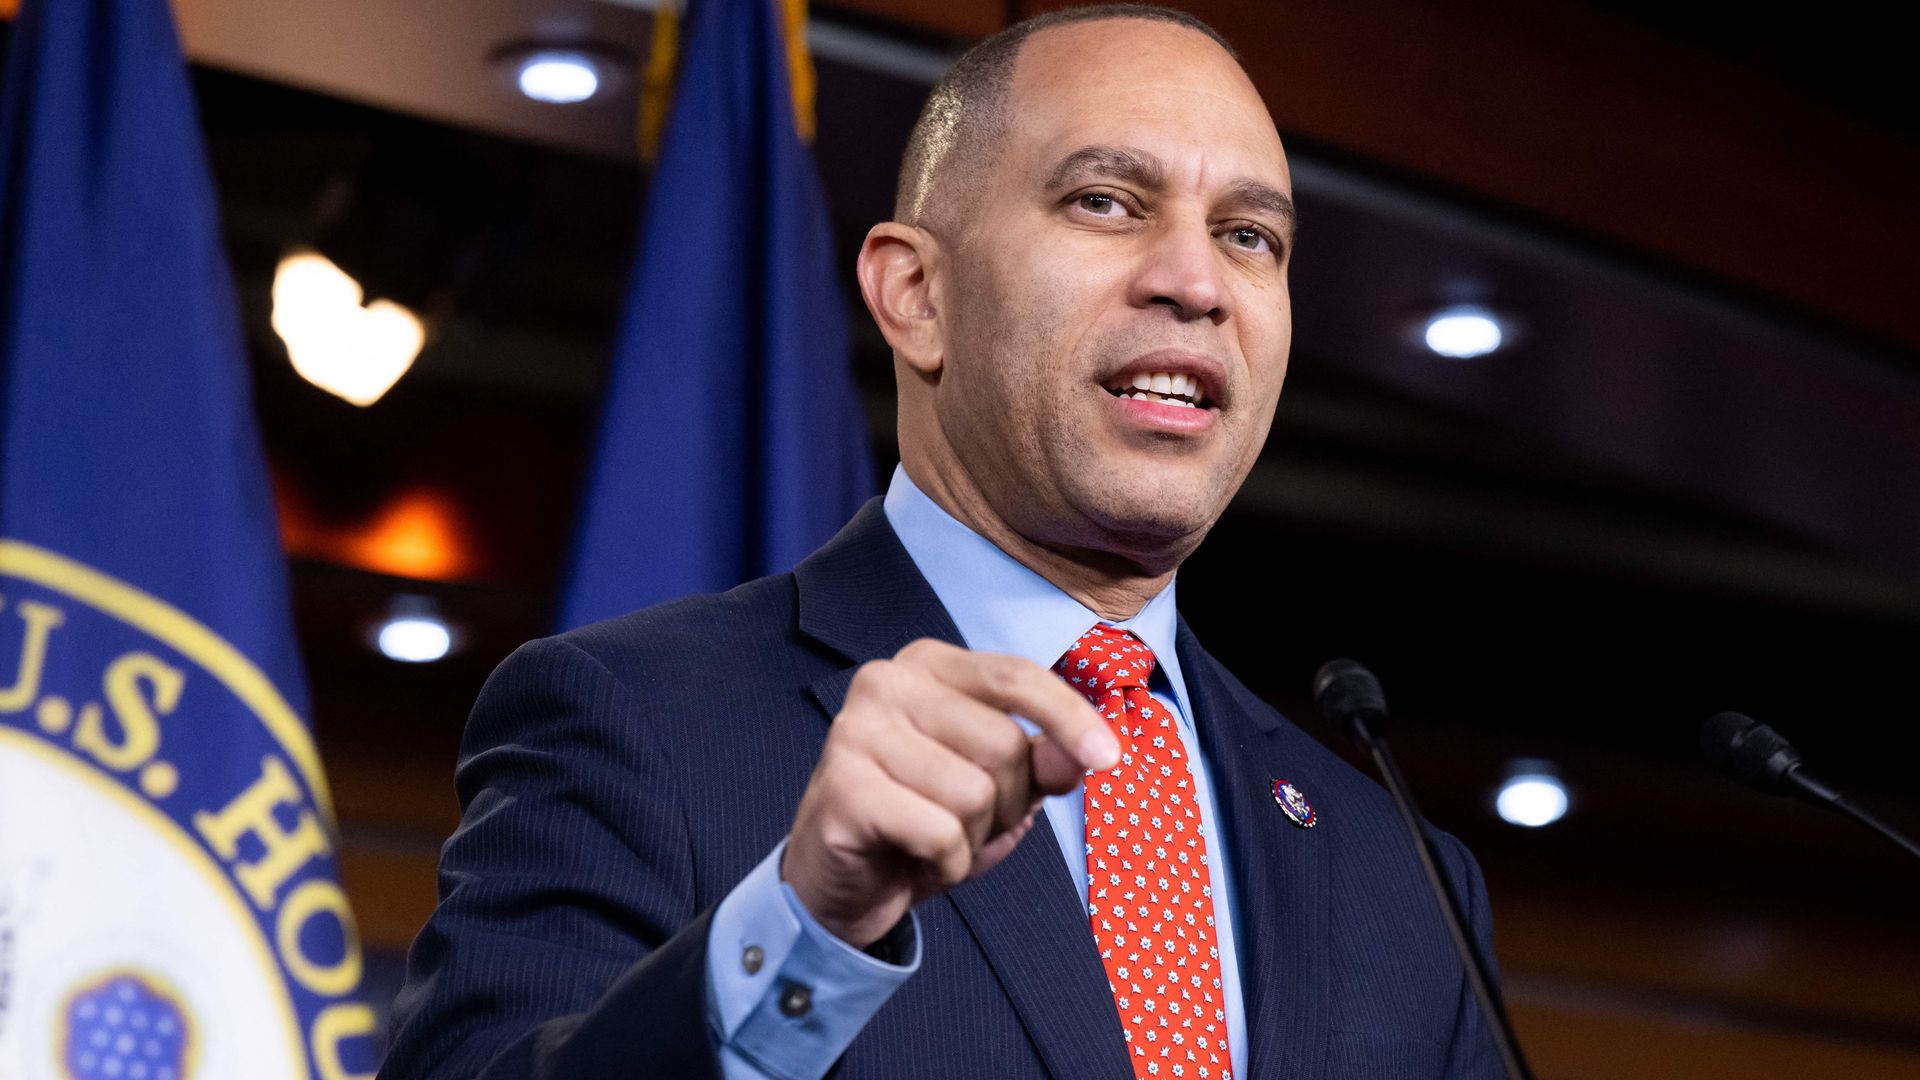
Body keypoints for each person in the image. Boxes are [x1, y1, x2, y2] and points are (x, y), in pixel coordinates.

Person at [381, 5, 1501, 1079]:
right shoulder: (635, 723)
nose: (1196, 283)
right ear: (915, 293)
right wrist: (807, 927)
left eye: (1249, 236)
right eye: (1107, 202)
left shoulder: (1405, 875)